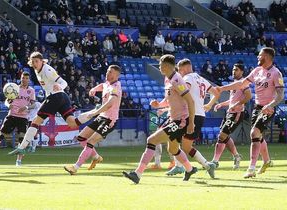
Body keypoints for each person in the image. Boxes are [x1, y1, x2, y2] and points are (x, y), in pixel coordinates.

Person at [123, 54, 197, 184]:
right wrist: (159, 104)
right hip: (173, 118)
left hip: (181, 121)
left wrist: (191, 122)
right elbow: (170, 99)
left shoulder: (177, 80)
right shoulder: (168, 79)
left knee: (151, 140)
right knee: (173, 149)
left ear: (168, 66)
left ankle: (137, 174)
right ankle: (190, 169)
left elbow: (190, 101)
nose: (160, 68)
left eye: (161, 65)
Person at [7, 52, 95, 156]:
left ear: (42, 61)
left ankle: (22, 147)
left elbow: (64, 82)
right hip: (62, 97)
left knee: (36, 121)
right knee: (72, 123)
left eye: (37, 61)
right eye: (33, 61)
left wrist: (60, 87)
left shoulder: (47, 70)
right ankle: (95, 112)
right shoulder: (37, 70)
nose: (35, 63)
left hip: (55, 97)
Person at [216, 47, 284, 178]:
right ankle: (266, 161)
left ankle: (251, 168)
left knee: (254, 132)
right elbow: (241, 83)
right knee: (258, 135)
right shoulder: (257, 71)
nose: (258, 57)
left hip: (268, 108)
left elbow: (280, 96)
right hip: (257, 108)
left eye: (260, 55)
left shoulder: (276, 73)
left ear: (268, 57)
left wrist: (270, 105)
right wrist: (222, 88)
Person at [63, 65, 122, 175]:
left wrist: (96, 112)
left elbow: (110, 104)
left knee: (90, 142)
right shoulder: (107, 84)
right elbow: (102, 86)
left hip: (109, 120)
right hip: (102, 117)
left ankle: (75, 167)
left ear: (116, 75)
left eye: (110, 72)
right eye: (107, 71)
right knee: (81, 137)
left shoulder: (116, 87)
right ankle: (96, 156)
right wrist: (94, 89)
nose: (107, 73)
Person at [166, 59, 219, 179]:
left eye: (179, 70)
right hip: (200, 115)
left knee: (173, 139)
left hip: (190, 114)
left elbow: (184, 93)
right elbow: (216, 93)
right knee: (183, 144)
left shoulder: (187, 79)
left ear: (183, 69)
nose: (179, 73)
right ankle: (206, 165)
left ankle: (181, 166)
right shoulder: (201, 79)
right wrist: (209, 105)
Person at [0, 72, 35, 167]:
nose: (25, 80)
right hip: (12, 115)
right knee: (0, 137)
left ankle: (18, 162)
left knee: (22, 140)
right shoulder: (15, 88)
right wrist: (8, 105)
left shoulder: (31, 91)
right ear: (21, 78)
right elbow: (7, 100)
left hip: (23, 118)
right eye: (23, 78)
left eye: (27, 78)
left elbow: (33, 104)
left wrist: (26, 107)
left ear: (29, 79)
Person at [211, 63, 251, 169]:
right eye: (233, 69)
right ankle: (236, 156)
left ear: (242, 71)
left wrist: (237, 105)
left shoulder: (243, 83)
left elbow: (248, 96)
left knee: (221, 136)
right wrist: (221, 104)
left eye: (236, 70)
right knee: (224, 136)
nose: (234, 72)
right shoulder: (235, 83)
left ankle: (215, 161)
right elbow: (232, 100)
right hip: (230, 113)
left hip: (237, 114)